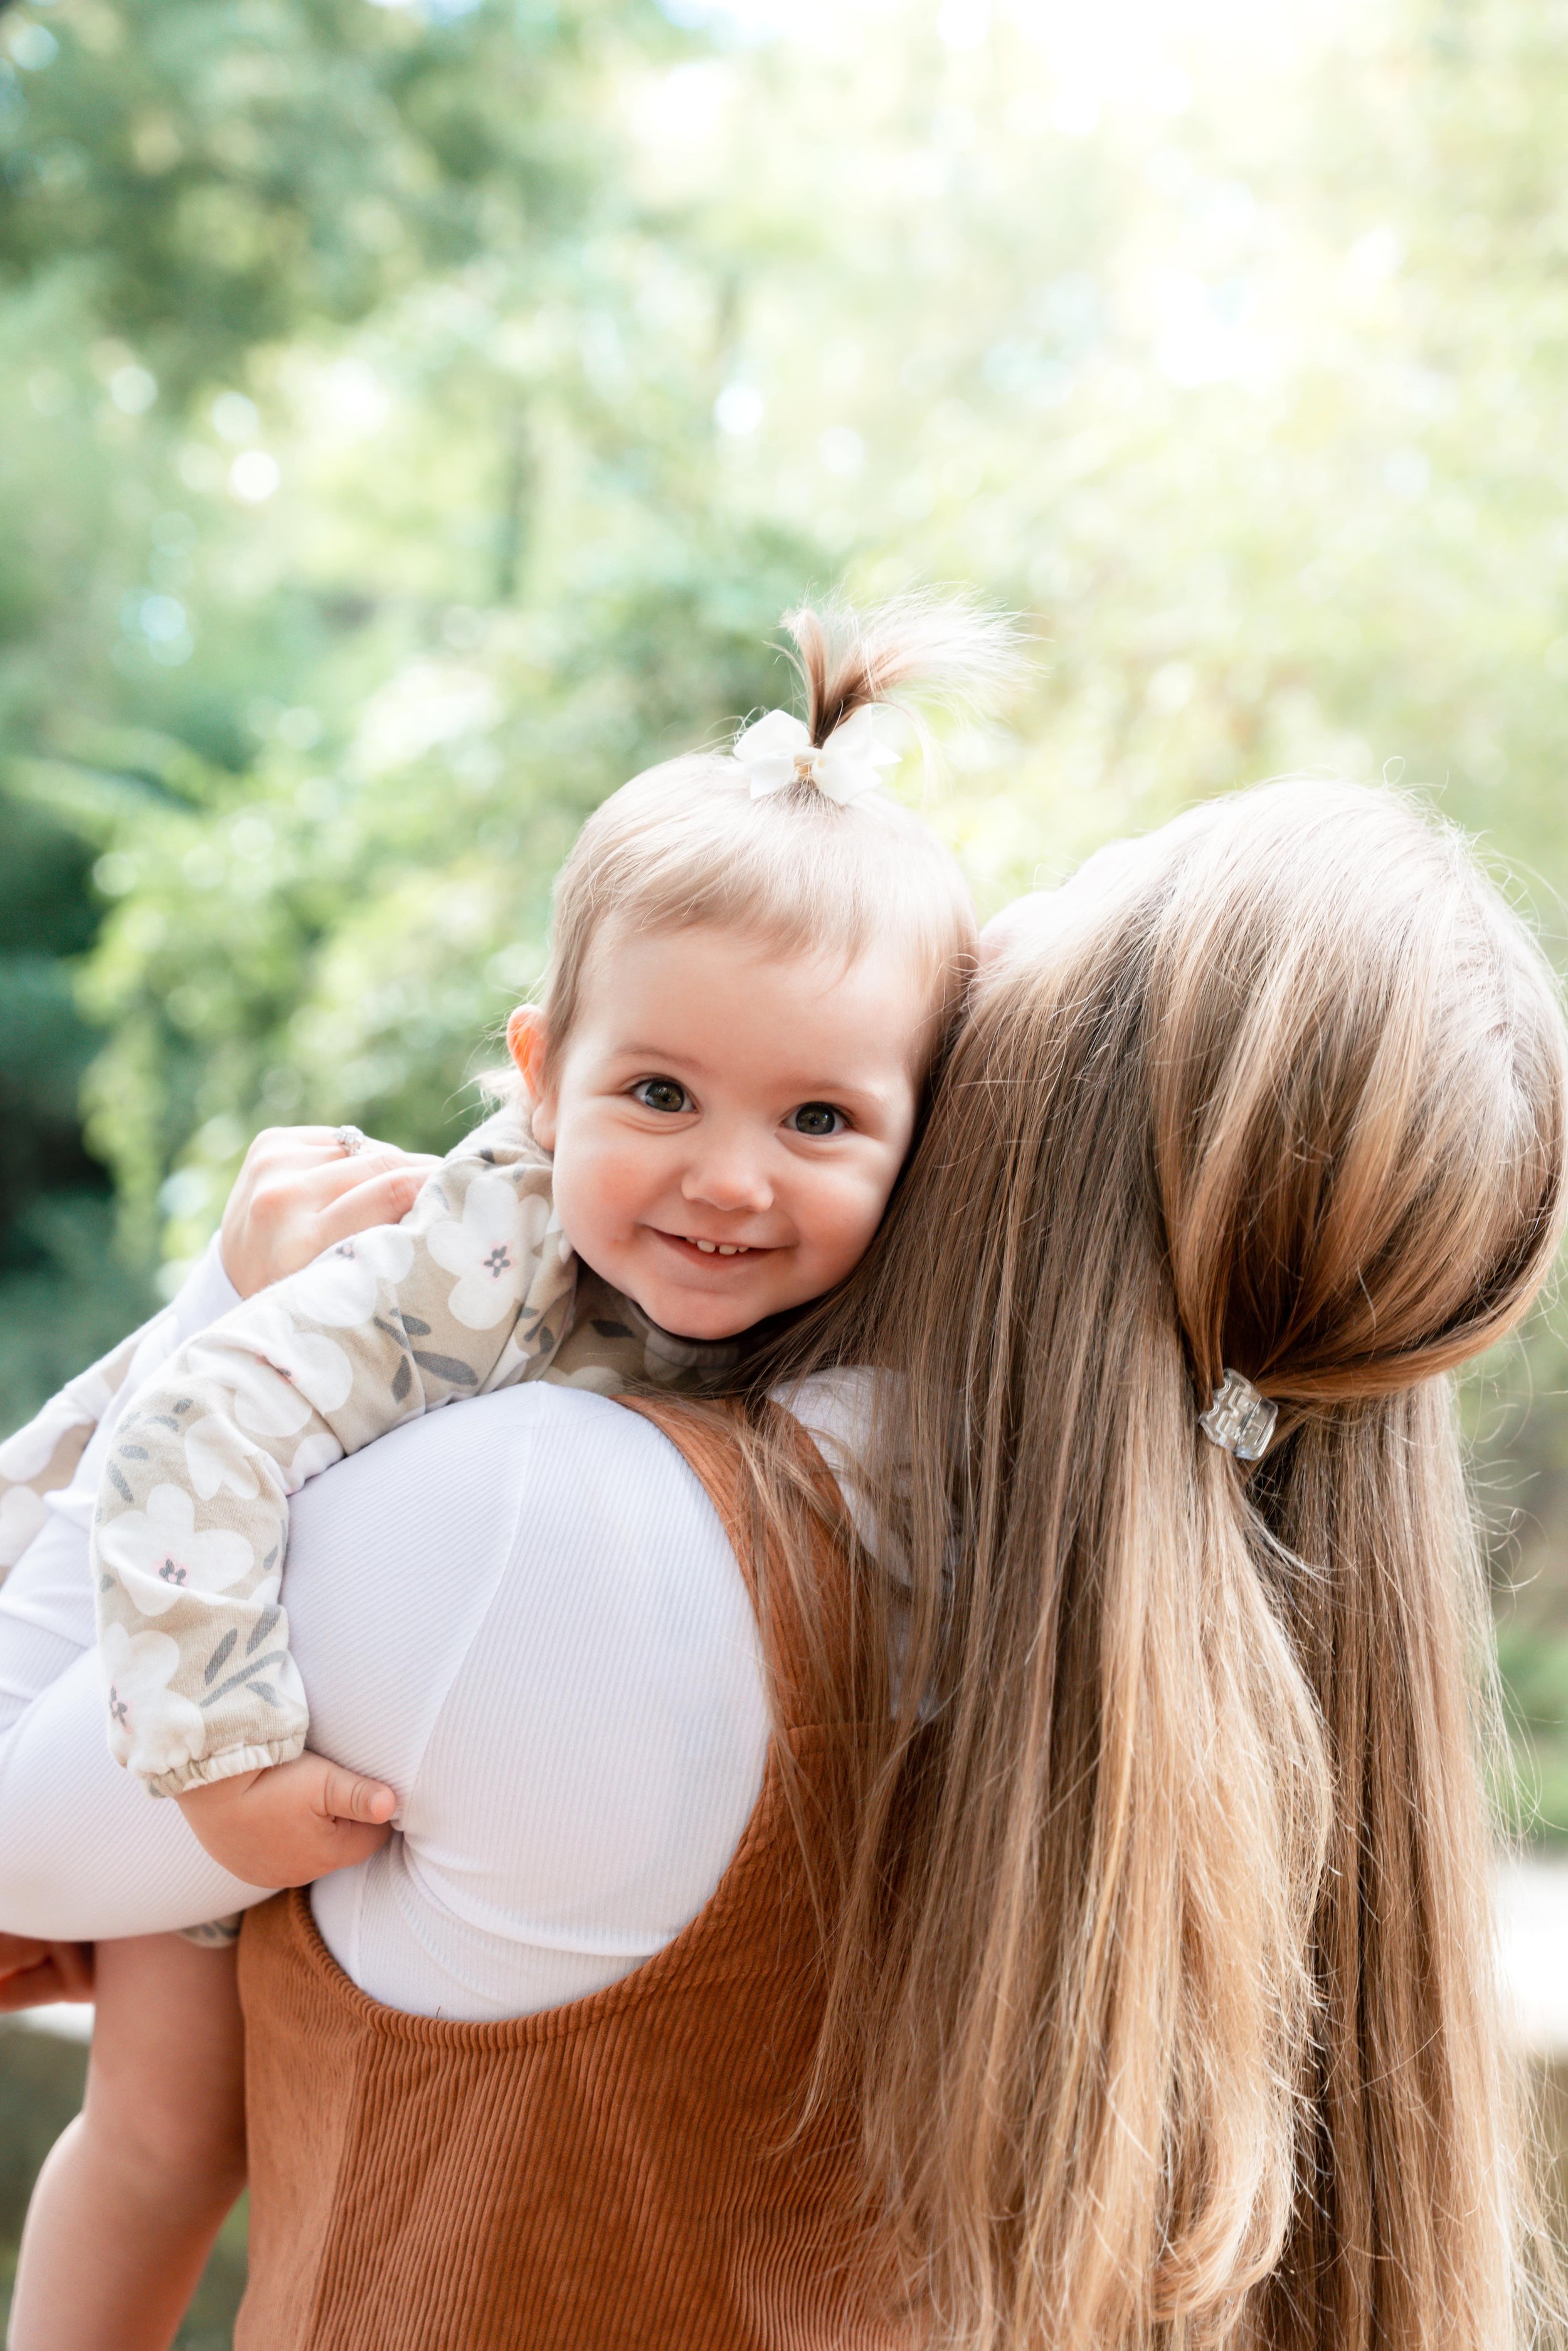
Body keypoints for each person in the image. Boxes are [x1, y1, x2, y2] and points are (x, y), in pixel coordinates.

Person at [4, 777, 1565, 2351]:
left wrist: (224, 1302)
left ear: (1056, 1068)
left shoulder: (549, 1532)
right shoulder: (1235, 1665)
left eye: (1089, 876)